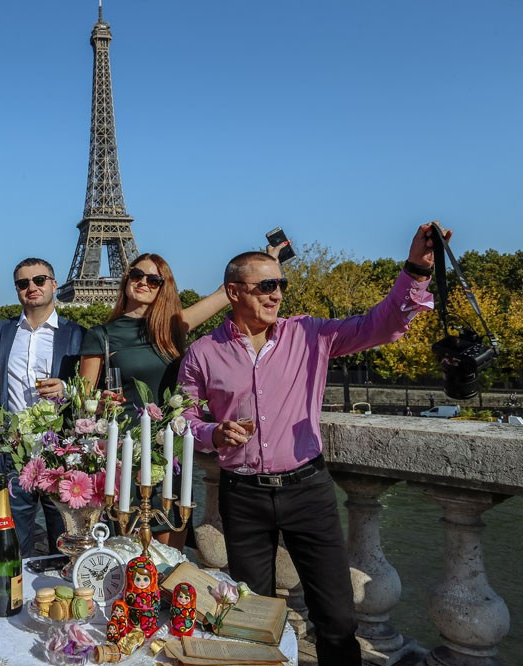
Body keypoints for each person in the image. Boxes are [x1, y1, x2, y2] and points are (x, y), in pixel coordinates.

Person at [178, 223, 446, 666]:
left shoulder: (311, 334)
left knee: (338, 617)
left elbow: (383, 323)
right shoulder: (203, 353)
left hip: (308, 490)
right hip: (242, 494)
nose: (277, 293)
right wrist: (213, 433)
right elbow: (182, 419)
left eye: (280, 284)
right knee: (250, 612)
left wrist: (416, 268)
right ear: (233, 292)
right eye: (266, 285)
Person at [77, 251, 276, 548]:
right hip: (125, 454)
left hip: (170, 452)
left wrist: (268, 261)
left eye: (153, 279)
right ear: (126, 279)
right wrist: (101, 403)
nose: (143, 282)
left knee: (172, 555)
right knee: (131, 555)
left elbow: (225, 293)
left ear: (163, 286)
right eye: (136, 275)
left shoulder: (172, 327)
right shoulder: (101, 335)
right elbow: (84, 401)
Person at [0, 258, 85, 556]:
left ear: (54, 284)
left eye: (39, 280)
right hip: (14, 453)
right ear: (17, 290)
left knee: (68, 541)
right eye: (23, 283)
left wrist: (67, 389)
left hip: (61, 453)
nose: (32, 287)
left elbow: (95, 389)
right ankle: (19, 598)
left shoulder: (77, 334)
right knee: (13, 542)